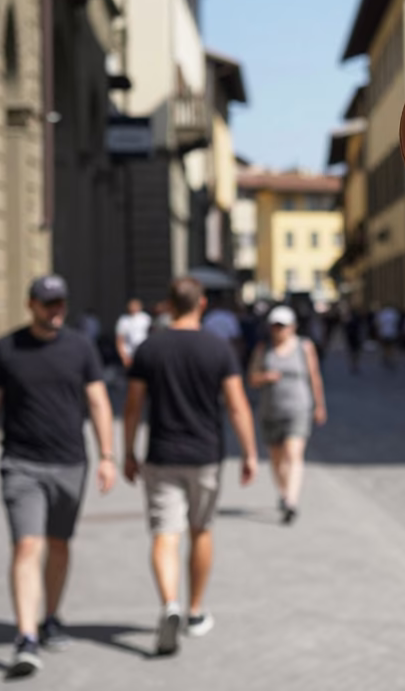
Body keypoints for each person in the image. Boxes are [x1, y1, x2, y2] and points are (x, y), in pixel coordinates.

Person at [0, 275, 117, 678]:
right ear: (30, 304)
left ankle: (51, 616)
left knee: (59, 545)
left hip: (71, 463)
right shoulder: (7, 349)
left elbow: (99, 402)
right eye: (48, 303)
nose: (56, 311)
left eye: (60, 304)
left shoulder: (80, 348)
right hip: (21, 465)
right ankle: (26, 636)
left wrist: (107, 455)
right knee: (26, 546)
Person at [122, 277, 259, 657]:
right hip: (205, 456)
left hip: (162, 453)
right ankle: (195, 612)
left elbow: (133, 406)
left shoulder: (150, 349)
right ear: (201, 306)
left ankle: (169, 604)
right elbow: (236, 404)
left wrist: (127, 451)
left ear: (168, 304)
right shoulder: (218, 348)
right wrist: (249, 452)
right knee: (201, 531)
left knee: (165, 535)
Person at [248, 305, 326, 524]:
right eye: (274, 326)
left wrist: (319, 405)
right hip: (270, 410)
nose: (278, 330)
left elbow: (314, 376)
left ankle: (291, 501)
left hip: (298, 408)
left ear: (292, 327)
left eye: (282, 326)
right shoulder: (263, 349)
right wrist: (265, 377)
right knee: (276, 459)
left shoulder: (304, 347)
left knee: (293, 454)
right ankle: (283, 492)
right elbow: (251, 378)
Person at [115, 298, 152, 369]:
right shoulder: (123, 320)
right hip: (130, 355)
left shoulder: (146, 318)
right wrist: (124, 357)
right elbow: (120, 340)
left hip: (144, 353)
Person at [375, 303, 402, 370]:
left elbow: (378, 323)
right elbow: (398, 322)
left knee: (385, 346)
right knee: (392, 346)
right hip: (392, 332)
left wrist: (378, 331)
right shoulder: (394, 313)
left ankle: (386, 357)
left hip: (384, 332)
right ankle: (391, 358)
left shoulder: (382, 313)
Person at [341, 300, 365, 375]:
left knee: (353, 352)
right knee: (355, 352)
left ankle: (354, 364)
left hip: (352, 337)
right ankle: (354, 364)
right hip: (354, 337)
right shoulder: (355, 319)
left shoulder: (351, 319)